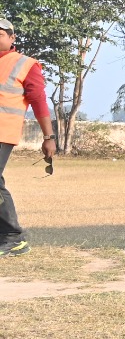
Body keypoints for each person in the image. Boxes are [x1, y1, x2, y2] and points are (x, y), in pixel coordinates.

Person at [0, 16, 55, 257]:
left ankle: (14, 238)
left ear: (12, 38)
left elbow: (39, 102)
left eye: (0, 33)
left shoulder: (25, 64)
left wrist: (48, 136)